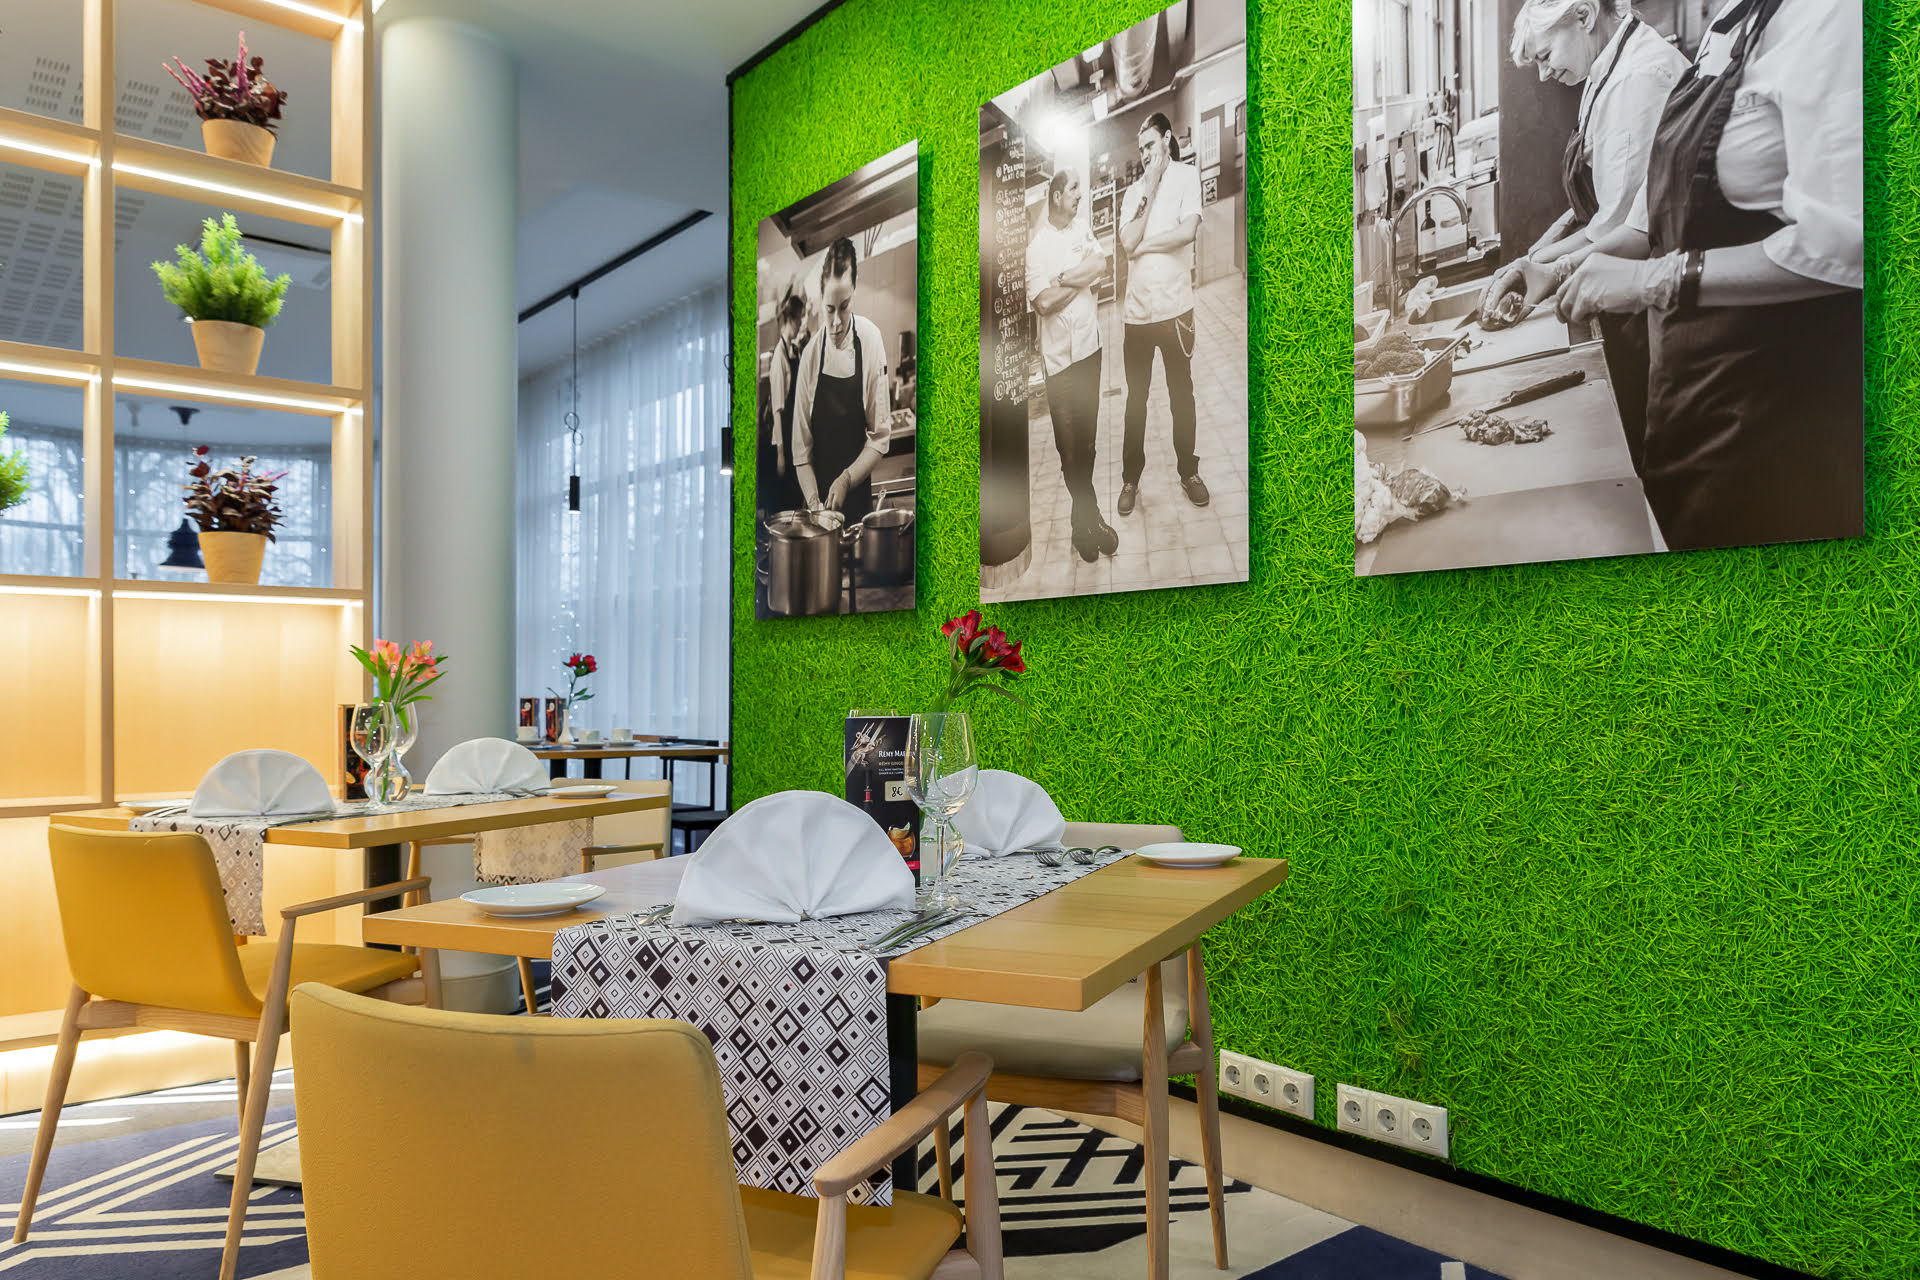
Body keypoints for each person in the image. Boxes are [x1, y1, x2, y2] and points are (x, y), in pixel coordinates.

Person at [1553, 0, 1862, 552]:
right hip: (1690, 394)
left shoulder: (1829, 17)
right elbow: (1651, 219)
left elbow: (1847, 245)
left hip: (1774, 409)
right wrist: (1555, 269)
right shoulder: (1727, 26)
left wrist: (1655, 281)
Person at [1480, 0, 1687, 470]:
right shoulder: (1605, 72)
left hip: (1651, 290)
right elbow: (1605, 216)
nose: (1543, 74)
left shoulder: (1638, 79)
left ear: (1585, 16)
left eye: (1545, 55)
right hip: (1623, 274)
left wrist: (1552, 270)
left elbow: (1633, 233)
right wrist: (1534, 260)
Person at [1116, 112, 1207, 516]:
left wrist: (1147, 245)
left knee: (1181, 395)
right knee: (1135, 400)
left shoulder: (1187, 178)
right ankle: (1130, 479)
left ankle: (1189, 472)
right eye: (1140, 149)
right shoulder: (1134, 193)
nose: (1145, 154)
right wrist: (1150, 189)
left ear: (1167, 139)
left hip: (1176, 309)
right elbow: (1127, 242)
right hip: (1137, 314)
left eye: (1150, 145)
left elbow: (1187, 232)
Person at [1026, 167, 1117, 563]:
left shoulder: (1082, 229)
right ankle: (1091, 517)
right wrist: (1078, 279)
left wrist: (1063, 279)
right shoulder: (1036, 248)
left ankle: (1081, 525)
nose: (1081, 193)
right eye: (1075, 188)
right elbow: (1043, 303)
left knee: (1088, 443)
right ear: (1057, 196)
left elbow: (1102, 266)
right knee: (1069, 450)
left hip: (1090, 352)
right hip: (1060, 364)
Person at [791, 238, 893, 524]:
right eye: (829, 309)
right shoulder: (811, 355)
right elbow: (801, 453)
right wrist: (815, 505)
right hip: (818, 512)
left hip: (859, 505)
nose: (836, 322)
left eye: (844, 307)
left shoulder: (870, 339)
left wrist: (847, 479)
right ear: (820, 300)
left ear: (854, 294)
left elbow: (880, 437)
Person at [762, 285, 808, 515]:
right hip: (783, 441)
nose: (800, 324)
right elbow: (778, 410)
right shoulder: (779, 358)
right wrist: (781, 454)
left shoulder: (791, 350)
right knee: (786, 506)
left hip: (792, 436)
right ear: (791, 319)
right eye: (799, 319)